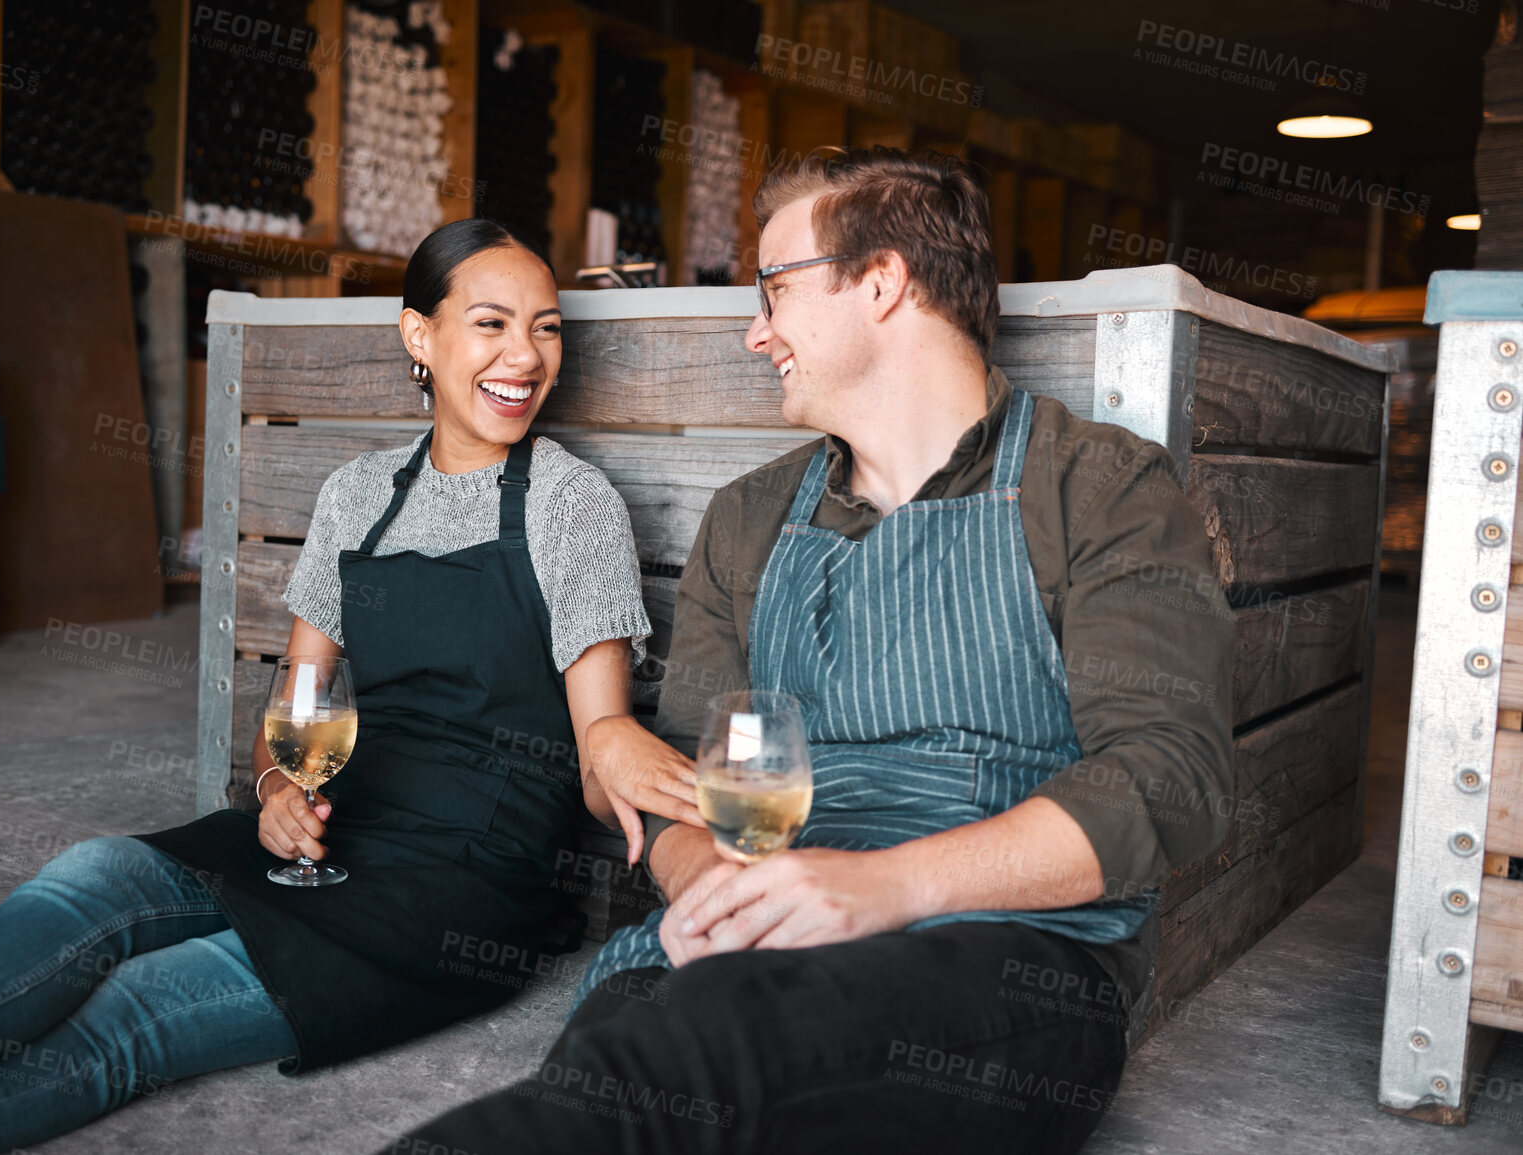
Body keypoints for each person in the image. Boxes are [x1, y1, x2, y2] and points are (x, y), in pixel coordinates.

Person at [381, 147, 1234, 1153]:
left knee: (673, 1077)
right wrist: (711, 887)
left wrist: (885, 887)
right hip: (743, 938)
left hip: (1002, 957)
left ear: (882, 281)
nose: (755, 332)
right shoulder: (748, 522)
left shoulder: (1097, 489)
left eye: (774, 290)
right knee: (610, 1079)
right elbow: (683, 788)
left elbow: (1171, 779)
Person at [0, 218, 698, 1155]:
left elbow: (601, 743)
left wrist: (636, 763)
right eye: (492, 324)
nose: (524, 355)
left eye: (546, 327)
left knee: (139, 1012)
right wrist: (273, 787)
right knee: (95, 873)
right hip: (335, 825)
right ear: (418, 336)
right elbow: (294, 709)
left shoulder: (568, 500)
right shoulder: (357, 493)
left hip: (458, 887)